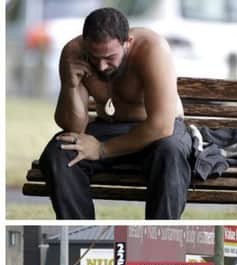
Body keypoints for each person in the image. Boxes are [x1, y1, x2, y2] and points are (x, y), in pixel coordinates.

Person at [38, 7, 192, 219]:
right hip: (109, 126)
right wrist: (71, 86)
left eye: (110, 57)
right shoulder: (73, 53)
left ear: (127, 42)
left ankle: (158, 239)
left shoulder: (152, 48)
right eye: (95, 57)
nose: (101, 66)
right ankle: (78, 233)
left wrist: (101, 149)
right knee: (60, 152)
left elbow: (162, 125)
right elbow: (73, 128)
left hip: (157, 133)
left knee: (170, 150)